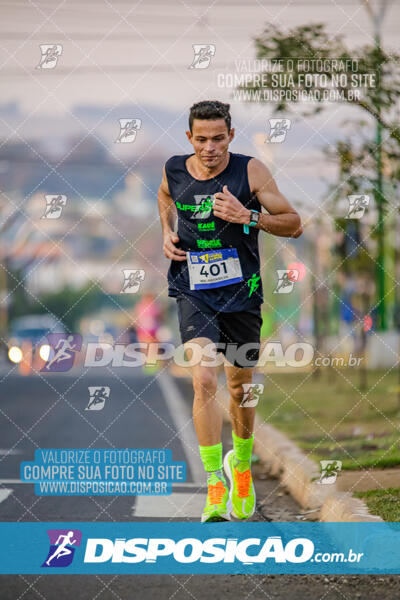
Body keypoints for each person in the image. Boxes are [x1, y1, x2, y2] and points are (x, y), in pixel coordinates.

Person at [157, 100, 302, 522]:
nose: (210, 148)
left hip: (243, 293)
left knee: (240, 389)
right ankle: (214, 487)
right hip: (193, 288)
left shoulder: (250, 171)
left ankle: (239, 466)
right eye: (201, 139)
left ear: (230, 137)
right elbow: (165, 197)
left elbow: (294, 223)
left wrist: (248, 215)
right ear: (190, 139)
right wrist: (167, 231)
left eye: (218, 138)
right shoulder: (174, 169)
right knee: (203, 378)